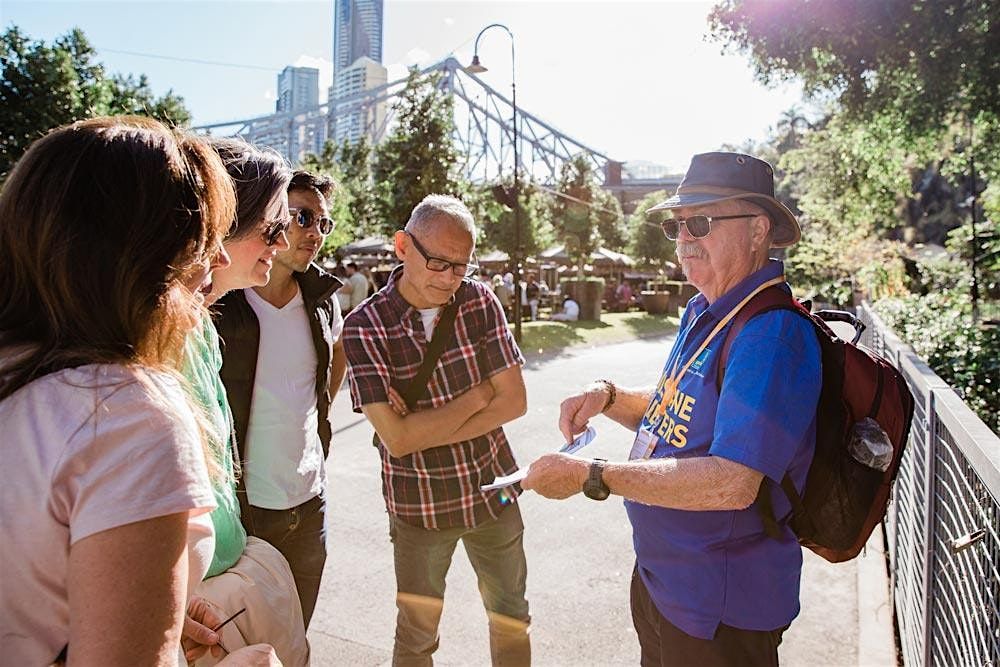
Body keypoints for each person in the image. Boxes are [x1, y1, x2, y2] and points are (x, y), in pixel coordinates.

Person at [522, 152, 822, 667]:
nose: (684, 238)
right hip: (666, 583)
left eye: (700, 222)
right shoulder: (705, 308)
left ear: (757, 231)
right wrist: (610, 396)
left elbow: (733, 482)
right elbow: (673, 410)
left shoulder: (770, 334)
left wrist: (590, 475)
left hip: (719, 611)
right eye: (676, 224)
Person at [0, 116, 277, 666]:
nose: (218, 259)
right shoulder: (130, 416)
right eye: (202, 237)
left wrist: (155, 621)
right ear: (140, 252)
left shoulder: (23, 376)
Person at [343, 194, 531, 667]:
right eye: (438, 263)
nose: (449, 280)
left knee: (511, 619)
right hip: (420, 507)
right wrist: (474, 397)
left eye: (460, 267)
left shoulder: (479, 300)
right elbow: (398, 441)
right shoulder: (364, 327)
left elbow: (516, 401)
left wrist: (416, 428)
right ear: (403, 246)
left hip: (494, 494)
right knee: (417, 637)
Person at [180, 138, 308, 666]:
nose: (284, 243)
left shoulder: (202, 327)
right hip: (196, 598)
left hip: (224, 576)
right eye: (274, 227)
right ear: (223, 222)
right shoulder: (157, 337)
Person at [214, 170, 346, 631]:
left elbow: (334, 364)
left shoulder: (324, 301)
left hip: (311, 506)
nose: (315, 233)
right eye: (302, 217)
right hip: (246, 512)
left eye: (322, 224)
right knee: (240, 642)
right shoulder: (224, 302)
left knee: (294, 640)